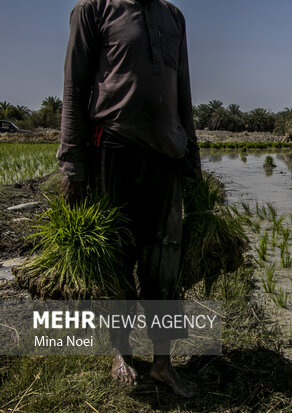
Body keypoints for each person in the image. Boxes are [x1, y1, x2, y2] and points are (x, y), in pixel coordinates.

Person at [58, 0, 201, 398]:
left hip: (166, 158)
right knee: (117, 261)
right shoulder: (93, 10)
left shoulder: (174, 17)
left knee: (165, 264)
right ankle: (120, 351)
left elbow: (183, 90)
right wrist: (73, 164)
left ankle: (162, 362)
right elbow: (75, 86)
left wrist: (192, 157)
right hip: (112, 151)